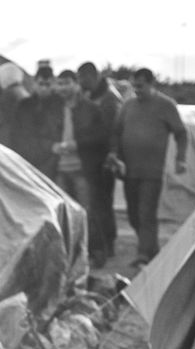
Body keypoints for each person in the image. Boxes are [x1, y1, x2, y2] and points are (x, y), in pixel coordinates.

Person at [109, 68, 187, 266]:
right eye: (134, 86)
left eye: (141, 86)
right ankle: (152, 249)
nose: (137, 90)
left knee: (146, 213)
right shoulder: (128, 106)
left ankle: (143, 253)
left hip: (152, 171)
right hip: (129, 171)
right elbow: (116, 132)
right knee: (134, 215)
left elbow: (181, 133)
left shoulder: (166, 105)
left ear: (152, 84)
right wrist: (114, 154)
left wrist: (180, 159)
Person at [76, 62, 121, 267]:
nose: (81, 83)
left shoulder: (109, 99)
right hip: (92, 159)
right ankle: (103, 243)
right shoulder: (92, 96)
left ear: (92, 76)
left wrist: (112, 155)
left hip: (103, 159)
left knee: (102, 204)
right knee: (96, 203)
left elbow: (111, 131)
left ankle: (107, 244)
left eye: (82, 78)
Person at [11, 64, 62, 178]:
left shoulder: (60, 104)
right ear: (34, 83)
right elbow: (19, 135)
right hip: (29, 159)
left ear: (53, 84)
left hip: (54, 162)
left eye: (47, 84)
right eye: (41, 84)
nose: (44, 88)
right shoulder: (24, 106)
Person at [52, 70, 93, 209]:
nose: (63, 87)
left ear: (76, 84)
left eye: (67, 83)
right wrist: (52, 146)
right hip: (58, 170)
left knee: (84, 212)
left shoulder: (88, 108)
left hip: (81, 170)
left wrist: (78, 144)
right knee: (62, 213)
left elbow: (98, 137)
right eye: (60, 84)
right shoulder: (53, 109)